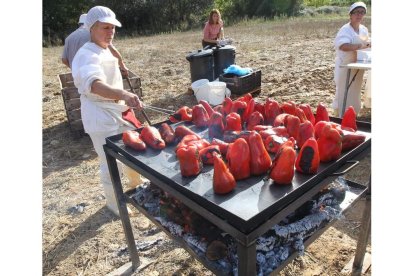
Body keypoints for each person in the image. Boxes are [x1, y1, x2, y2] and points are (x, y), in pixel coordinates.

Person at [71, 6, 144, 216]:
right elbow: (94, 84)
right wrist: (125, 94)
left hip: (115, 109)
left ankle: (135, 185)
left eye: (112, 27)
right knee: (109, 161)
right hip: (99, 113)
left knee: (130, 151)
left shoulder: (103, 48)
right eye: (105, 27)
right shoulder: (86, 54)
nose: (110, 32)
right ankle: (115, 204)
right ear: (92, 28)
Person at [332, 1, 371, 117]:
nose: (359, 15)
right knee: (343, 90)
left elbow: (366, 43)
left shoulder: (363, 29)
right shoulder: (345, 30)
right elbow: (343, 46)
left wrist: (368, 45)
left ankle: (353, 113)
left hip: (358, 63)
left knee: (355, 89)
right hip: (344, 64)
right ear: (350, 15)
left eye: (362, 12)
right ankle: (340, 114)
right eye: (356, 12)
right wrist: (360, 46)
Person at [61, 13, 129, 76]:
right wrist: (122, 66)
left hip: (79, 77)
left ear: (79, 24)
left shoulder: (69, 38)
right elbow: (113, 50)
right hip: (98, 75)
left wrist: (76, 69)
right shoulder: (95, 33)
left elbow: (64, 60)